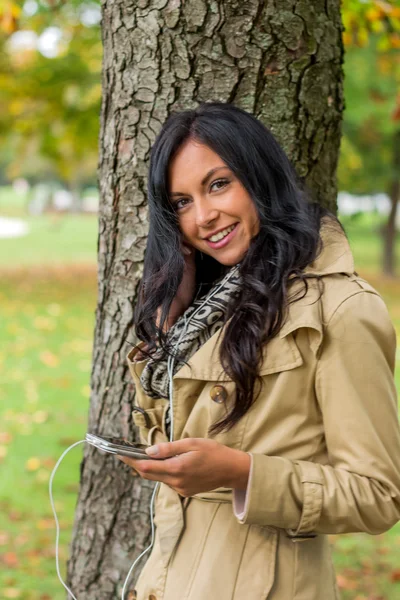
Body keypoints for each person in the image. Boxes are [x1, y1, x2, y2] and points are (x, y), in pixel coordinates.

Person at [117, 102, 400, 600]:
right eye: (181, 202)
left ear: (260, 176)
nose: (203, 217)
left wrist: (242, 473)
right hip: (171, 579)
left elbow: (378, 495)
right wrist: (170, 319)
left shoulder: (340, 309)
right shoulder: (208, 306)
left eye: (218, 184)